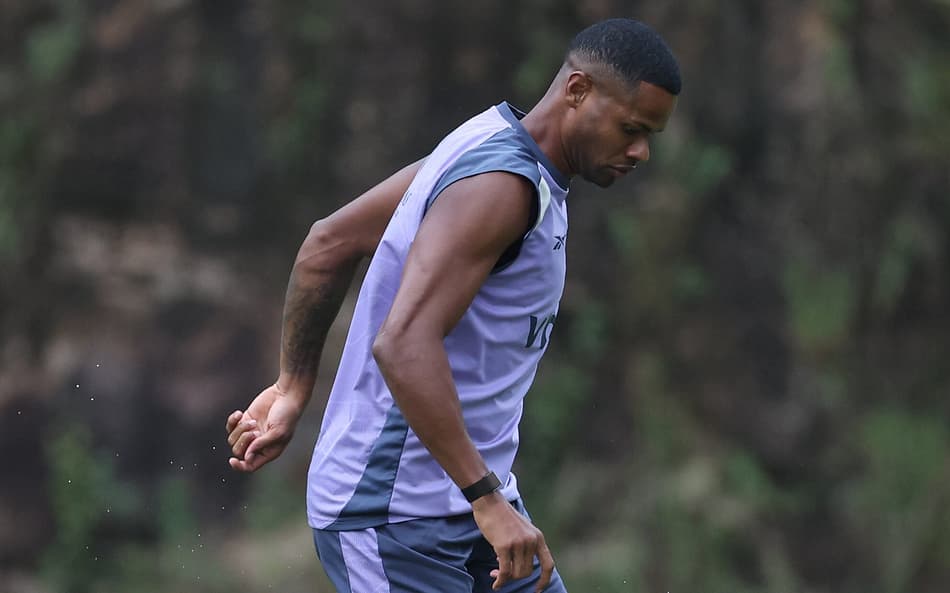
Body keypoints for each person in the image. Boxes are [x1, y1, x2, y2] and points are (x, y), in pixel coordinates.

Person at [226, 17, 681, 593]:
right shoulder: (499, 186)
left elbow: (330, 243)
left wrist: (294, 386)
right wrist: (486, 498)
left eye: (650, 137)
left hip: (468, 505)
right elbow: (403, 343)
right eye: (631, 128)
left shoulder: (493, 151)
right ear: (577, 91)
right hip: (394, 516)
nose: (640, 152)